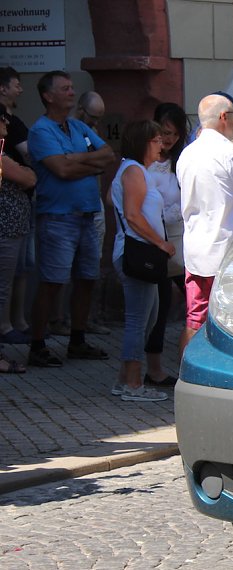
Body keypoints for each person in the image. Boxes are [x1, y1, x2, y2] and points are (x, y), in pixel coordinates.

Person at [26, 70, 116, 367]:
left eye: (71, 87)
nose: (71, 92)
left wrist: (74, 159)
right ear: (47, 96)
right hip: (58, 218)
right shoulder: (40, 131)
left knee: (86, 279)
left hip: (87, 215)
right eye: (64, 88)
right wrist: (86, 165)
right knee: (52, 282)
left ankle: (77, 340)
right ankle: (38, 344)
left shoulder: (78, 127)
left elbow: (108, 155)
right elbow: (59, 171)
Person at [176, 94, 233, 361]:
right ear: (225, 117)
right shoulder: (232, 152)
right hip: (228, 252)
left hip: (195, 250)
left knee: (195, 318)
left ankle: (186, 375)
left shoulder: (186, 154)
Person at [109, 119, 174, 401]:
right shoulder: (133, 170)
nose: (162, 144)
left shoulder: (137, 171)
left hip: (143, 253)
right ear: (143, 142)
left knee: (150, 316)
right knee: (138, 320)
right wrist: (161, 243)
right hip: (137, 253)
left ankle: (124, 379)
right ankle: (133, 383)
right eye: (157, 140)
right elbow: (132, 215)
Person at [44, 91, 112, 337]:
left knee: (89, 270)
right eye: (94, 117)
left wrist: (79, 161)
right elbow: (62, 167)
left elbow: (105, 159)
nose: (97, 124)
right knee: (60, 272)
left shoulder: (86, 130)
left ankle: (83, 322)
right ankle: (56, 319)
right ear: (82, 110)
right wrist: (88, 164)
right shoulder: (63, 130)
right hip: (66, 211)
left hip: (92, 206)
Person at [144, 102, 189, 387]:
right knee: (158, 309)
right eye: (164, 132)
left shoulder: (184, 159)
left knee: (196, 307)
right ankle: (154, 368)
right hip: (157, 244)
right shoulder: (146, 163)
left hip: (183, 245)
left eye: (173, 133)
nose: (168, 139)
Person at [0, 106, 36, 373]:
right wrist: (22, 172)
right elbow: (26, 176)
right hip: (5, 232)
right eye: (3, 119)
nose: (7, 123)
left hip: (12, 230)